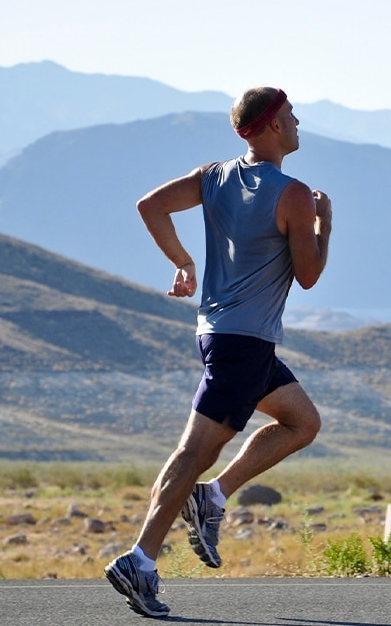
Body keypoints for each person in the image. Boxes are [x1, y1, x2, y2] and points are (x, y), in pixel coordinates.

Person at [104, 86, 331, 617]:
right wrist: (325, 222)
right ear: (273, 125)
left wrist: (183, 262)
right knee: (193, 452)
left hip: (223, 335)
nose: (299, 125)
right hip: (243, 343)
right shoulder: (294, 194)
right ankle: (140, 560)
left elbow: (150, 205)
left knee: (302, 422)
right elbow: (309, 275)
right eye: (293, 117)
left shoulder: (214, 176)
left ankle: (214, 496)